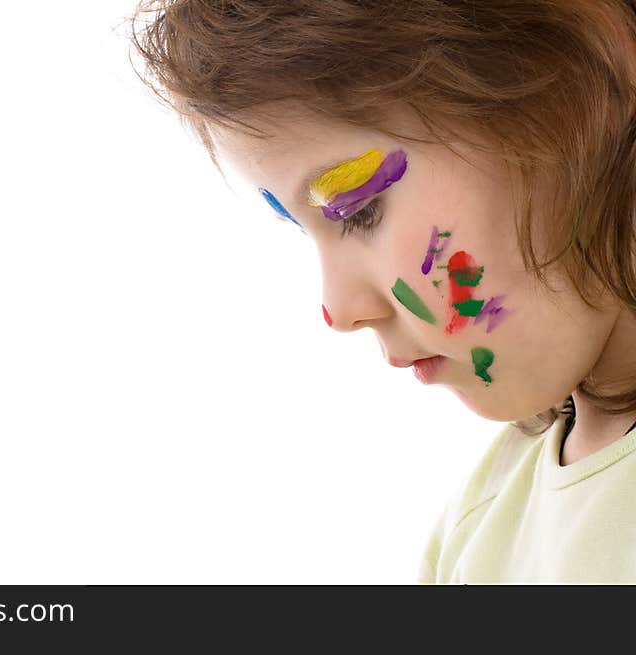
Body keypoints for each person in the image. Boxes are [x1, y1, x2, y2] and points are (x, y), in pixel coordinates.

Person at [127, 0, 636, 582]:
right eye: (305, 231)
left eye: (359, 209)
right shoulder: (481, 528)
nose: (338, 311)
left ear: (594, 54)